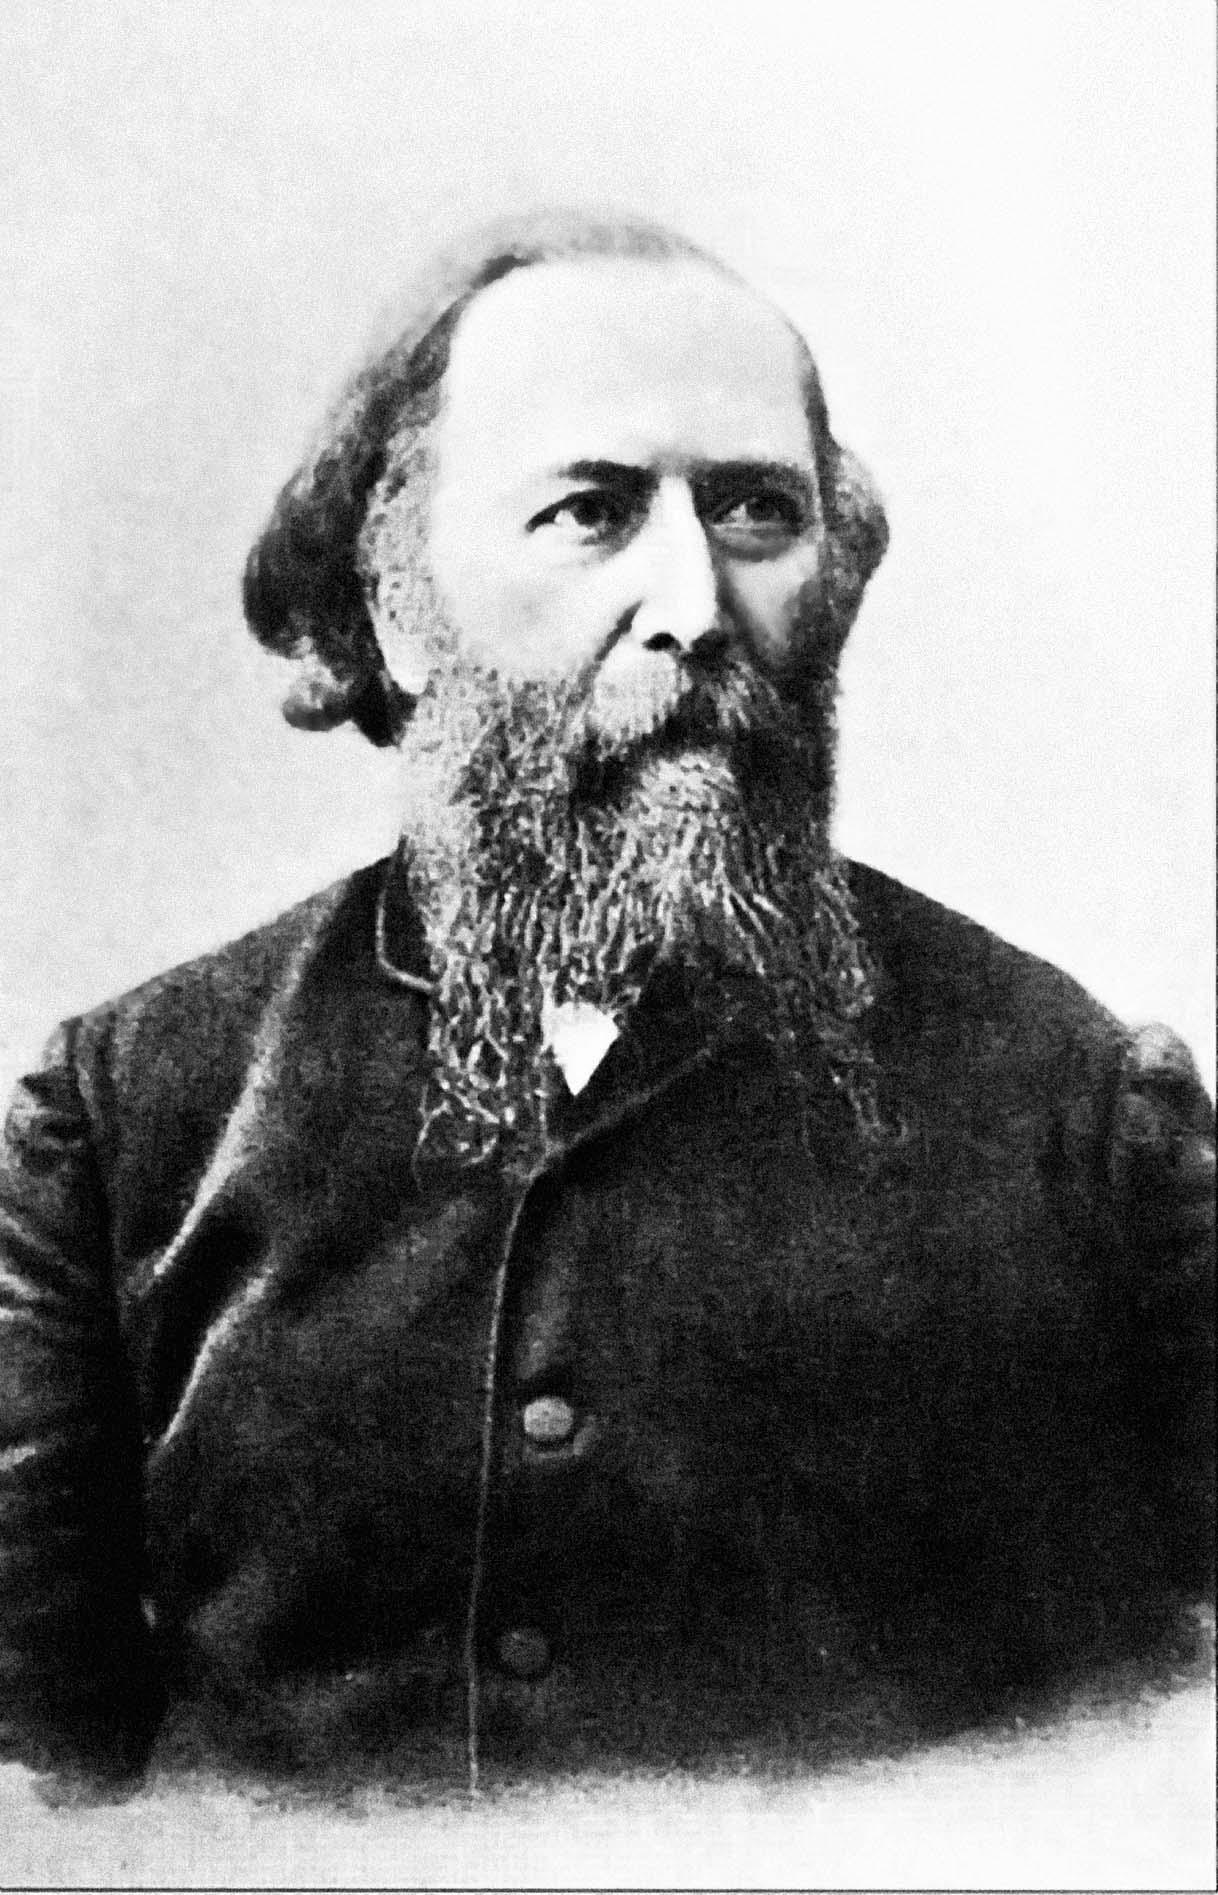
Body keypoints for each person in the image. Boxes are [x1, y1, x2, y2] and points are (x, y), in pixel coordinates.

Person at [0, 210, 1211, 1799]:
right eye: (590, 511)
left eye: (757, 511)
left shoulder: (1078, 1117)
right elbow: (49, 1789)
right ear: (395, 606)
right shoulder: (126, 1119)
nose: (693, 602)